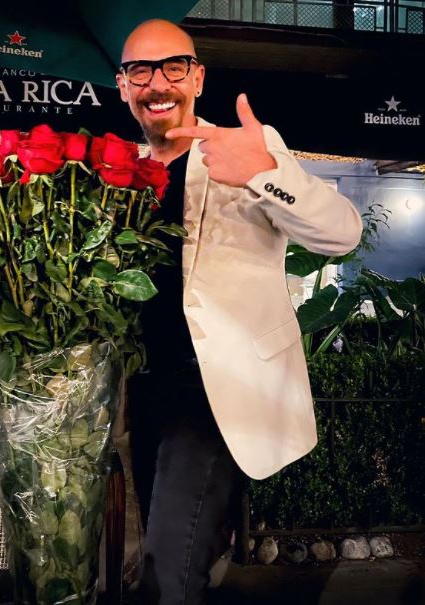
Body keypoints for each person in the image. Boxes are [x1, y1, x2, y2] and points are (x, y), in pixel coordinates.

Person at [116, 19, 363, 605]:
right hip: (141, 391)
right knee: (162, 551)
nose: (158, 84)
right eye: (140, 71)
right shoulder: (121, 174)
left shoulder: (243, 148)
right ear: (123, 86)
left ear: (198, 77)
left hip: (216, 391)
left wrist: (263, 174)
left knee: (169, 574)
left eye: (174, 67)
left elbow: (343, 233)